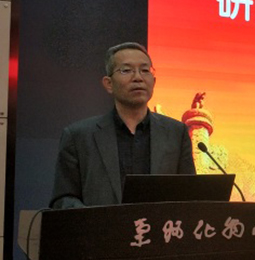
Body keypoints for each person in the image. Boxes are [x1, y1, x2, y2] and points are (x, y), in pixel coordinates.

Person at [50, 42, 196, 208]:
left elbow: (189, 194)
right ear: (108, 84)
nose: (138, 78)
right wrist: (94, 218)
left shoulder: (176, 133)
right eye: (126, 70)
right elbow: (63, 198)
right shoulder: (79, 136)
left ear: (154, 81)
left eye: (145, 70)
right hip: (100, 225)